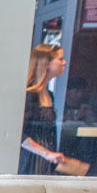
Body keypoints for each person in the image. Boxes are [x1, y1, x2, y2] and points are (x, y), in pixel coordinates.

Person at [19, 43, 67, 174]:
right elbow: (19, 133)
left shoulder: (49, 94)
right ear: (46, 63)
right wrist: (46, 153)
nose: (64, 63)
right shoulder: (29, 95)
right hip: (31, 160)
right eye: (60, 59)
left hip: (45, 161)